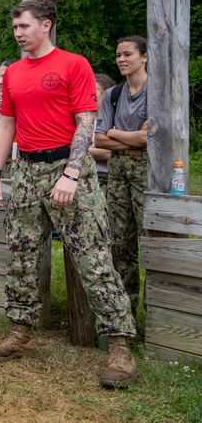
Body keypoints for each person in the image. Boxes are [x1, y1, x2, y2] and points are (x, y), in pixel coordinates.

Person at [0, 0, 137, 388]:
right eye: (15, 27)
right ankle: (20, 332)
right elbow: (6, 124)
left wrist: (70, 173)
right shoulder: (14, 73)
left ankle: (119, 347)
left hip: (69, 169)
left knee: (94, 256)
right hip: (28, 170)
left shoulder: (73, 64)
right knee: (21, 254)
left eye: (25, 26)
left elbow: (86, 121)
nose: (18, 33)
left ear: (46, 25)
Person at [95, 36, 149, 316]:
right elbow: (101, 140)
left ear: (144, 57)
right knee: (119, 243)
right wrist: (131, 136)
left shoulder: (157, 92)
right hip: (117, 172)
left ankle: (156, 316)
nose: (121, 60)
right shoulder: (114, 94)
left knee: (150, 241)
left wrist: (115, 133)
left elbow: (152, 140)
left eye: (128, 54)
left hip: (146, 171)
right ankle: (126, 315)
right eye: (118, 55)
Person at [91, 73, 116, 193]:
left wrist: (77, 150)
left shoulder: (114, 121)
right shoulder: (79, 122)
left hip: (105, 178)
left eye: (93, 93)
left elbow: (109, 153)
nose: (87, 95)